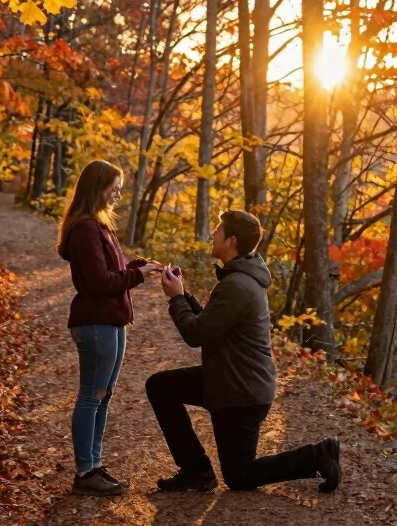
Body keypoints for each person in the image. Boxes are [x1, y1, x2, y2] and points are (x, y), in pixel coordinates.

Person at [145, 209, 341, 493]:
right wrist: (185, 294)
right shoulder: (240, 278)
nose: (213, 234)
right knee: (161, 387)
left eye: (218, 231)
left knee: (240, 476)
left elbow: (196, 334)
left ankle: (318, 454)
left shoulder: (238, 285)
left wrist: (176, 299)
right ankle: (195, 470)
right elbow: (211, 324)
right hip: (227, 380)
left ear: (231, 241)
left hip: (241, 393)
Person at [59, 159, 161, 496]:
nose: (119, 192)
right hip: (96, 322)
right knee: (92, 396)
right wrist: (138, 276)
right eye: (114, 186)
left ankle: (94, 464)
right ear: (97, 186)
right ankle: (85, 471)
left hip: (111, 321)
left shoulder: (99, 225)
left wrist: (137, 266)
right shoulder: (86, 228)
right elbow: (100, 281)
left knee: (103, 397)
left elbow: (109, 270)